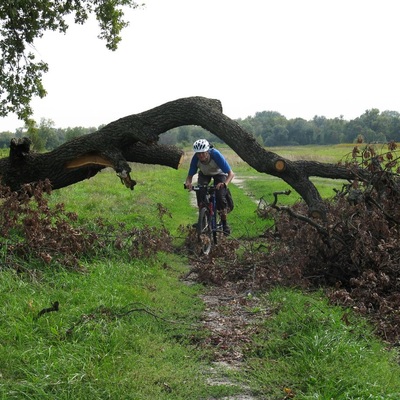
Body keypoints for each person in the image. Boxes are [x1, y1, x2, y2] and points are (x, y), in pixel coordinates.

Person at [185, 139, 235, 235]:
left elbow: (230, 174)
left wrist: (225, 184)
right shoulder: (195, 158)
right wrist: (188, 183)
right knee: (200, 191)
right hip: (204, 174)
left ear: (207, 151)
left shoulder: (216, 154)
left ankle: (224, 224)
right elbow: (190, 175)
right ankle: (202, 219)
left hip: (219, 173)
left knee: (220, 196)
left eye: (203, 153)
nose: (201, 156)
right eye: (198, 154)